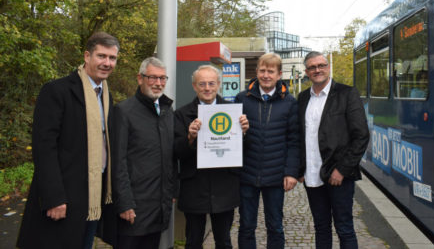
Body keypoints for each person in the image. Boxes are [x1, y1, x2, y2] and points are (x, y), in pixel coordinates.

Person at [17, 32, 120, 249]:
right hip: (64, 196)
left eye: (112, 58)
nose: (107, 63)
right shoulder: (57, 91)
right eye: (101, 56)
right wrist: (54, 198)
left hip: (93, 195)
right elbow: (44, 148)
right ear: (86, 56)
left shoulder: (107, 97)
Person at [298, 51, 370, 249]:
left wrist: (342, 170)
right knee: (321, 227)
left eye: (321, 65)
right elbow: (299, 136)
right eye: (312, 67)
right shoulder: (303, 98)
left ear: (328, 67)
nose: (317, 70)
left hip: (338, 175)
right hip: (312, 175)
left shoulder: (347, 94)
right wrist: (300, 170)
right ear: (306, 72)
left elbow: (361, 135)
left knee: (344, 227)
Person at [174, 65, 249, 249]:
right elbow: (175, 152)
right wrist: (189, 138)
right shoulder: (181, 115)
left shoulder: (234, 113)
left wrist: (244, 134)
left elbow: (244, 151)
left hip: (225, 186)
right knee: (193, 241)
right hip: (194, 187)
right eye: (202, 84)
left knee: (223, 241)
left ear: (219, 85)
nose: (207, 88)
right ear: (194, 86)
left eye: (211, 83)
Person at [236, 53, 300, 249]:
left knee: (275, 226)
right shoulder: (241, 99)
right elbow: (232, 137)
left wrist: (291, 172)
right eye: (262, 71)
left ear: (279, 74)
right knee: (246, 226)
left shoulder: (290, 102)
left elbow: (294, 140)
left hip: (275, 176)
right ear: (256, 72)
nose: (265, 75)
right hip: (247, 174)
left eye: (270, 71)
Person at [111, 57, 175, 249]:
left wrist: (171, 190)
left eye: (163, 78)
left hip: (158, 207)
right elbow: (118, 160)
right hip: (134, 208)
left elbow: (170, 156)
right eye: (152, 78)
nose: (158, 83)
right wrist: (124, 203)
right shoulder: (123, 111)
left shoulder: (166, 111)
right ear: (140, 79)